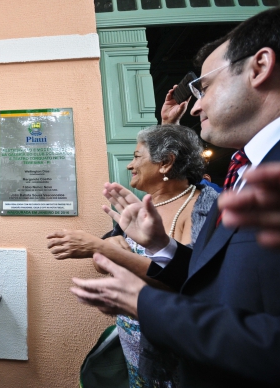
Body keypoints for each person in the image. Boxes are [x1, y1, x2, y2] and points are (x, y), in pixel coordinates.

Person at [70, 7, 280, 387]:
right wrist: (162, 247)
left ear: (260, 66)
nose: (196, 104)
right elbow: (212, 282)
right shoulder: (245, 170)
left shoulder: (215, 194)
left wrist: (146, 303)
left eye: (206, 87)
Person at [48, 125, 218, 387]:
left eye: (137, 156)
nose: (129, 165)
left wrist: (101, 247)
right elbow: (102, 266)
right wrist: (107, 247)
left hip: (172, 346)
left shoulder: (202, 206)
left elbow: (184, 283)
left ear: (166, 162)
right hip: (134, 342)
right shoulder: (143, 205)